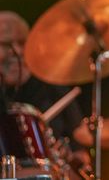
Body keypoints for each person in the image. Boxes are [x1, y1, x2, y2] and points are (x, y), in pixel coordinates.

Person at [0, 11, 89, 172]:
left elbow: (81, 155)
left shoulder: (53, 86)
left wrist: (68, 158)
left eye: (22, 43)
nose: (17, 52)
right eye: (6, 45)